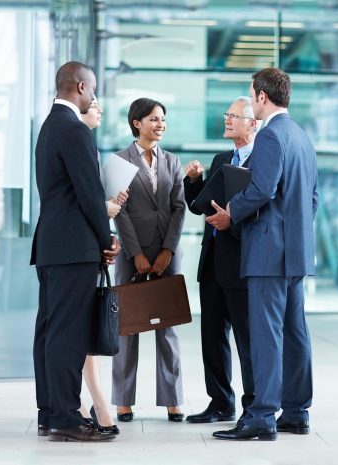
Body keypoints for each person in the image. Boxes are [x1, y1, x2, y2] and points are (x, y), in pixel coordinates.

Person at [207, 68, 318, 441]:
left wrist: (229, 214)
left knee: (267, 335)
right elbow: (312, 198)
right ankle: (297, 412)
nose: (252, 101)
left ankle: (261, 418)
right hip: (296, 250)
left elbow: (263, 189)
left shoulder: (271, 136)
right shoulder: (302, 137)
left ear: (261, 98)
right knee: (294, 331)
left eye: (252, 95)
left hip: (269, 251)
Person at [30, 61, 120, 442]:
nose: (94, 99)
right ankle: (66, 418)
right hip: (74, 249)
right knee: (67, 334)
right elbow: (88, 195)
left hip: (52, 246)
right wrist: (107, 240)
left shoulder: (49, 128)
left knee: (50, 330)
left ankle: (51, 411)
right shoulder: (75, 130)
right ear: (81, 87)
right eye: (94, 92)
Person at [111, 97, 187, 423]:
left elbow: (179, 207)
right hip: (132, 256)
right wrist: (136, 253)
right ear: (136, 123)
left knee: (167, 327)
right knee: (127, 327)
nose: (160, 125)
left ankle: (173, 399)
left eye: (163, 120)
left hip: (167, 254)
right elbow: (119, 211)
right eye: (153, 119)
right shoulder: (118, 161)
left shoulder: (172, 161)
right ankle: (123, 400)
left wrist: (168, 250)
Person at [183, 96, 257, 425]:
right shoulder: (222, 158)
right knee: (212, 338)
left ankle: (254, 405)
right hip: (212, 262)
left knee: (247, 339)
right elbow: (200, 206)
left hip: (243, 263)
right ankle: (220, 402)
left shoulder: (263, 161)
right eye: (227, 115)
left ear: (252, 123)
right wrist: (195, 182)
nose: (227, 120)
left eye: (234, 116)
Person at [78, 96, 126, 435]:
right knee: (81, 333)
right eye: (95, 104)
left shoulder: (86, 144)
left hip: (86, 246)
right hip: (78, 247)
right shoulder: (77, 139)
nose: (100, 111)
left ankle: (92, 402)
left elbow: (90, 200)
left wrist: (108, 206)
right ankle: (96, 403)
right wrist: (105, 217)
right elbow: (83, 202)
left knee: (86, 333)